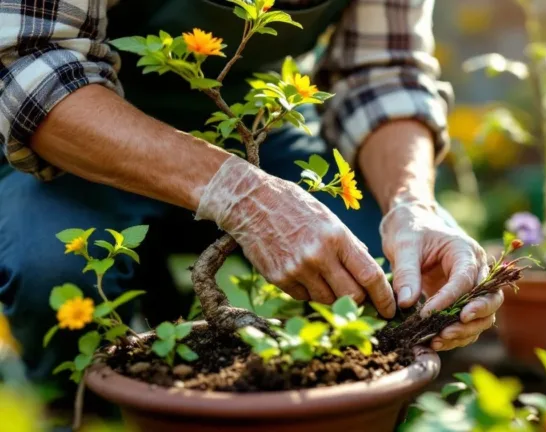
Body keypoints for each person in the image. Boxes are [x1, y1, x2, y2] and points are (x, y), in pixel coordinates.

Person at [0, 0, 502, 382]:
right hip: (80, 124)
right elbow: (29, 60)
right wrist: (242, 197)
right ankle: (84, 412)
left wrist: (413, 203)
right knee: (53, 268)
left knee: (400, 280)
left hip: (254, 119)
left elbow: (383, 72)